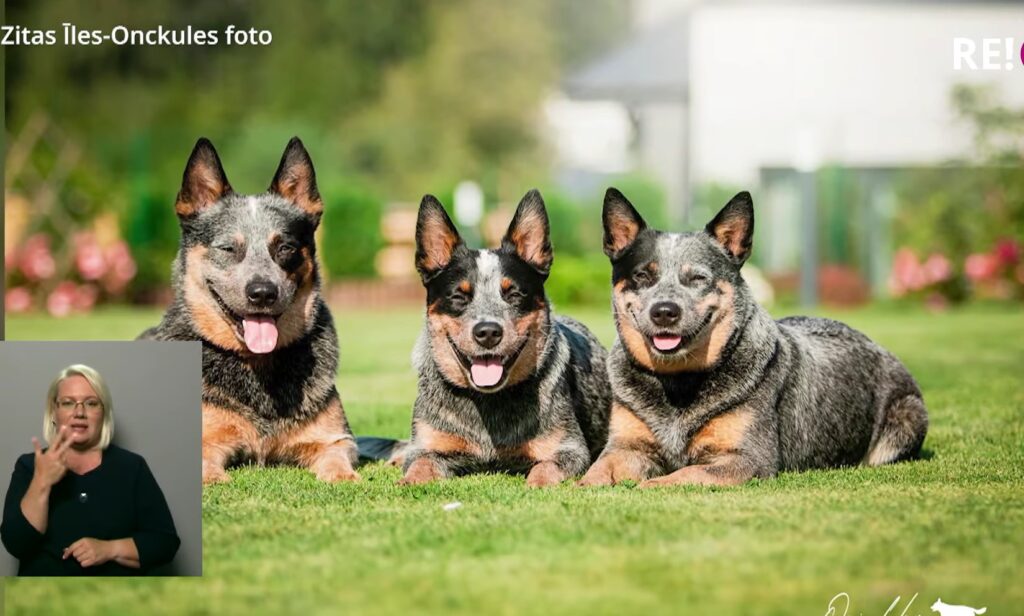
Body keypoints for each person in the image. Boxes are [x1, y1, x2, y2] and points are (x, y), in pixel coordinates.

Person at [1, 364, 180, 575]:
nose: (79, 412)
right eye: (68, 403)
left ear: (103, 413)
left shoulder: (132, 467)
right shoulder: (28, 466)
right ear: (54, 412)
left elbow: (164, 543)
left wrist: (109, 549)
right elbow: (16, 544)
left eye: (91, 403)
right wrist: (42, 481)